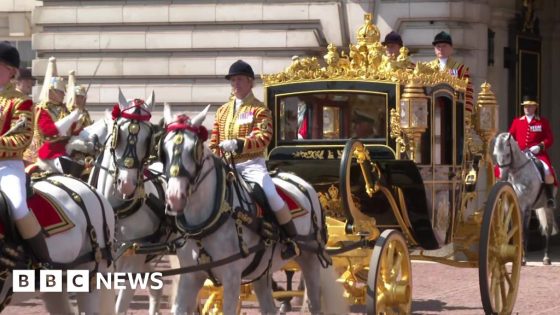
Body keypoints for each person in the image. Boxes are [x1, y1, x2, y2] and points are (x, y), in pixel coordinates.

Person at [209, 59, 300, 259]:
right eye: (233, 81)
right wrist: (214, 156)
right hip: (226, 166)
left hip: (251, 165)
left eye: (240, 80)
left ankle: (289, 238)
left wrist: (238, 144)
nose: (236, 84)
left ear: (250, 82)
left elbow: (264, 137)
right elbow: (214, 139)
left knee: (272, 195)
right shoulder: (222, 111)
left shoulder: (260, 110)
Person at [0, 42, 51, 263]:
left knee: (18, 206)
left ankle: (40, 261)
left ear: (11, 71)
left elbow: (21, 139)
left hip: (6, 166)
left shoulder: (20, 101)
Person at [33, 57, 83, 174]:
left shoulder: (63, 109)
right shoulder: (43, 110)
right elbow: (49, 131)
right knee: (69, 168)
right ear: (51, 92)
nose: (63, 95)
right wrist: (71, 118)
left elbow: (73, 132)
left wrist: (77, 122)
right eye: (60, 92)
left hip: (67, 148)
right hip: (51, 152)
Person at [509, 96, 556, 208]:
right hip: (520, 154)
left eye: (530, 106)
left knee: (547, 170)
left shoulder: (542, 122)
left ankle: (549, 197)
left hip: (537, 154)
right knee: (503, 169)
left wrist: (540, 146)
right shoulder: (517, 122)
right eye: (525, 106)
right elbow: (510, 137)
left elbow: (549, 139)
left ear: (535, 107)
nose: (527, 108)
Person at [427, 31, 474, 114]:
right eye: (438, 46)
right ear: (434, 49)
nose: (441, 49)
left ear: (451, 48)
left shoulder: (461, 69)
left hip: (454, 110)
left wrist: (467, 113)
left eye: (444, 46)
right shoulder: (427, 68)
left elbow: (468, 93)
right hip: (432, 109)